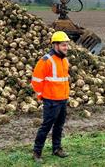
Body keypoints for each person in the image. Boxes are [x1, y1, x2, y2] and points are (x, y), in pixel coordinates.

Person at [31, 31, 71, 163]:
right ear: (55, 45)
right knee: (46, 126)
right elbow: (36, 81)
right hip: (51, 101)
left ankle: (56, 149)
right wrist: (42, 96)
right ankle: (37, 153)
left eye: (67, 45)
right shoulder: (46, 60)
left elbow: (63, 79)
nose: (66, 48)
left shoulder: (64, 60)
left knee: (59, 126)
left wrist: (65, 96)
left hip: (62, 99)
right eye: (64, 45)